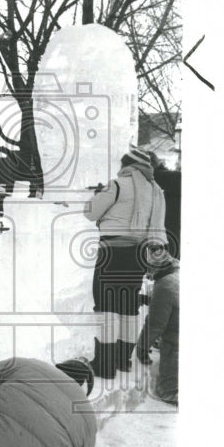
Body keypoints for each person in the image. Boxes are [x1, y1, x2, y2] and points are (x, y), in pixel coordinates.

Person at [83, 143, 167, 378]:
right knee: (128, 308)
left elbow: (90, 212)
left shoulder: (117, 185)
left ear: (127, 165)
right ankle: (123, 360)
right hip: (138, 255)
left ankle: (105, 365)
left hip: (111, 253)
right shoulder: (155, 190)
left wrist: (98, 194)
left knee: (106, 308)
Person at [136, 248, 179, 406]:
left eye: (151, 270)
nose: (149, 275)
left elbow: (155, 324)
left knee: (168, 391)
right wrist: (151, 299)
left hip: (176, 343)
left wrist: (141, 347)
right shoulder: (178, 272)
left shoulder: (164, 285)